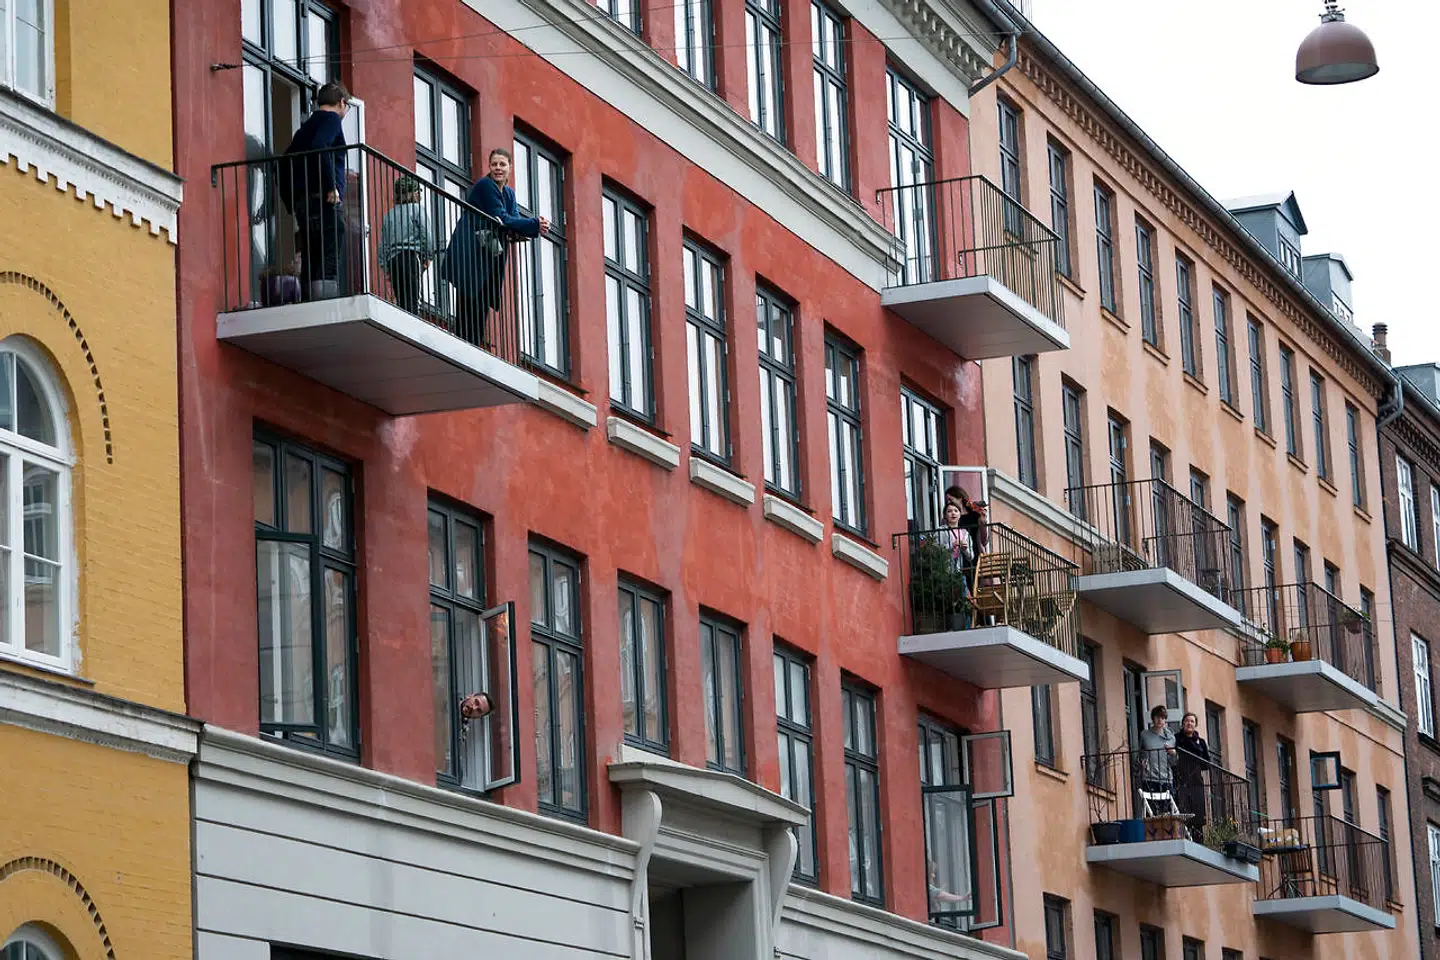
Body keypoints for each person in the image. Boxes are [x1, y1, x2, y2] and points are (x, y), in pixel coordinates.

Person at [441, 147, 548, 347]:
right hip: (470, 254)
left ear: (510, 168)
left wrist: (535, 226)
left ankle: (474, 344)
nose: (498, 168)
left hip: (486, 256)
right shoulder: (485, 186)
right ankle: (467, 344)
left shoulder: (508, 193)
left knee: (480, 302)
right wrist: (534, 224)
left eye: (502, 164)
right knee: (468, 302)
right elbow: (505, 219)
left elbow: (512, 220)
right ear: (489, 167)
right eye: (494, 164)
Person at [280, 82, 350, 300]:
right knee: (330, 249)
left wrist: (291, 201)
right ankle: (327, 303)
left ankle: (310, 300)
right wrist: (331, 188)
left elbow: (283, 163)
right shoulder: (331, 120)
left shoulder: (305, 127)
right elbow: (321, 145)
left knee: (311, 254)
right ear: (341, 103)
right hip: (323, 200)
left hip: (304, 203)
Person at [379, 175, 434, 314]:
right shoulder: (417, 209)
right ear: (414, 193)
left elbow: (383, 244)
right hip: (410, 256)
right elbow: (425, 233)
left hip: (393, 260)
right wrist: (428, 256)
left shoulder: (389, 215)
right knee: (414, 297)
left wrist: (385, 266)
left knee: (401, 299)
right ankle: (414, 325)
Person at [935, 500, 974, 628]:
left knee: (964, 599)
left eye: (956, 511)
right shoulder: (941, 531)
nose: (953, 513)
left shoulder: (965, 533)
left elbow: (971, 556)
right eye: (949, 511)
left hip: (957, 571)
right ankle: (950, 626)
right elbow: (936, 551)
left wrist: (965, 549)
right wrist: (951, 547)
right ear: (945, 515)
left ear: (960, 515)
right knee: (949, 600)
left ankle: (966, 627)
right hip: (944, 571)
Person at [1174, 711, 1210, 840]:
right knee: (1183, 811)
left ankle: (1199, 841)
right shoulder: (1176, 739)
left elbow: (1207, 764)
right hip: (1181, 781)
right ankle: (1183, 838)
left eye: (1192, 721)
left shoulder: (1201, 742)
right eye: (1187, 721)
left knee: (1198, 813)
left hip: (1196, 781)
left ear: (1195, 725)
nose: (1189, 723)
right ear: (1183, 723)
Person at [1137, 704, 1177, 793]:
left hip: (1166, 778)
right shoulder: (1145, 735)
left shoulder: (1171, 738)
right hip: (1149, 777)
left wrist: (1173, 753)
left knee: (1168, 806)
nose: (1159, 720)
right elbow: (1139, 753)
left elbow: (1173, 762)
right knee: (1151, 805)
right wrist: (1141, 763)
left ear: (1165, 720)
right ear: (1153, 718)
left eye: (1162, 718)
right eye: (1157, 717)